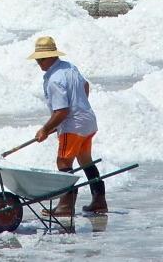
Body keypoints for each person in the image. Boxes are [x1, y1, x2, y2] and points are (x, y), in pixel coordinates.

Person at [27, 36, 107, 217]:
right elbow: (85, 86)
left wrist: (45, 130)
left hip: (72, 126)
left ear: (51, 56)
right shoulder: (69, 67)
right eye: (37, 60)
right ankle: (99, 201)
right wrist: (80, 104)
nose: (39, 63)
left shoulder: (55, 79)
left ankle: (66, 205)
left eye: (41, 59)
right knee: (85, 159)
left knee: (63, 162)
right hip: (88, 121)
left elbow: (61, 111)